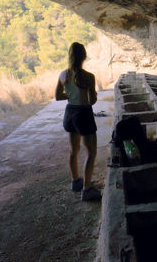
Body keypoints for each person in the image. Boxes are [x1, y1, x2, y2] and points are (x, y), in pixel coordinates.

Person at [55, 42, 101, 201]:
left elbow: (58, 96)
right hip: (83, 114)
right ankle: (87, 189)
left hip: (70, 113)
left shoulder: (63, 75)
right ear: (84, 56)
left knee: (73, 151)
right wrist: (89, 93)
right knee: (91, 152)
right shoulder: (88, 76)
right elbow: (92, 101)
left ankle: (75, 181)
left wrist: (71, 95)